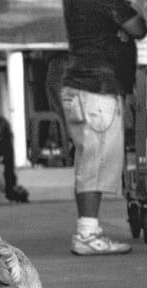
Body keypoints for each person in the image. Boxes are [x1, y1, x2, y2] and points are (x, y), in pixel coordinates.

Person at [60, 0, 146, 255]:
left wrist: (120, 32)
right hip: (97, 90)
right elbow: (139, 28)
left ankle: (89, 231)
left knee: (90, 161)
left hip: (81, 87)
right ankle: (87, 234)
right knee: (95, 164)